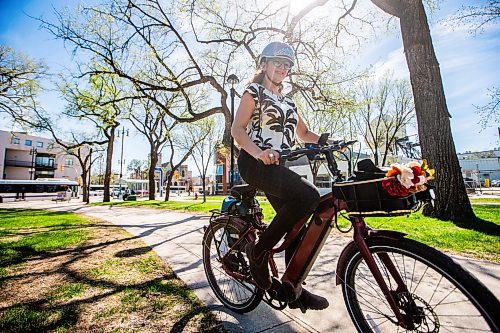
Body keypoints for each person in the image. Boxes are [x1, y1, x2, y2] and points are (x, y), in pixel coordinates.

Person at [231, 41, 328, 311]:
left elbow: (304, 134)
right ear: (264, 64)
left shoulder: (288, 101)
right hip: (255, 163)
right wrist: (258, 151)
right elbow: (237, 131)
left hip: (281, 166)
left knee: (295, 228)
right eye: (278, 62)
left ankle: (291, 287)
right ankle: (258, 252)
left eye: (287, 65)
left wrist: (328, 141)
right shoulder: (254, 92)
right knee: (309, 195)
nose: (283, 68)